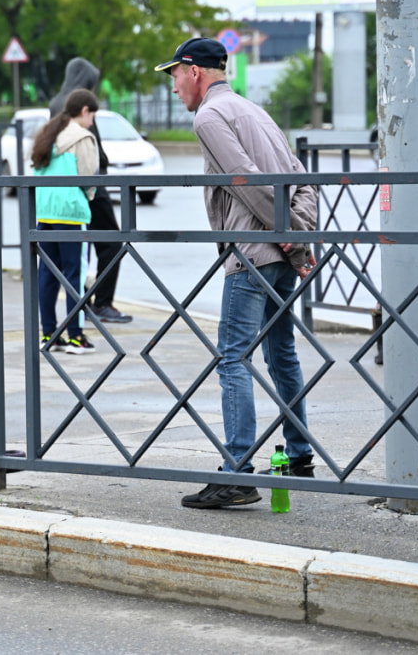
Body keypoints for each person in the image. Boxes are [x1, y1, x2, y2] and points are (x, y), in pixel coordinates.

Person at [157, 37, 319, 510]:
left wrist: (287, 231)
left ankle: (237, 470)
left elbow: (243, 178)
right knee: (282, 353)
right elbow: (301, 179)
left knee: (232, 357)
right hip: (279, 254)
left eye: (174, 76)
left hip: (251, 254)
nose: (173, 88)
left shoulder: (209, 117)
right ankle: (300, 453)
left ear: (194, 71)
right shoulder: (255, 111)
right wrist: (298, 234)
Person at [48, 58, 133, 324]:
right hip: (91, 188)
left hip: (62, 189)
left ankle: (81, 301)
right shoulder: (80, 108)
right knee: (112, 245)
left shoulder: (55, 103)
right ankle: (102, 303)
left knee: (75, 251)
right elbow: (93, 152)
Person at [33, 88, 101, 355]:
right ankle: (76, 336)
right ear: (84, 111)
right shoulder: (82, 137)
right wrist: (90, 197)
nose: (92, 122)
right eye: (92, 115)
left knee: (47, 274)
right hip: (71, 212)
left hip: (45, 211)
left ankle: (49, 334)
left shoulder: (48, 134)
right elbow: (88, 176)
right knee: (75, 274)